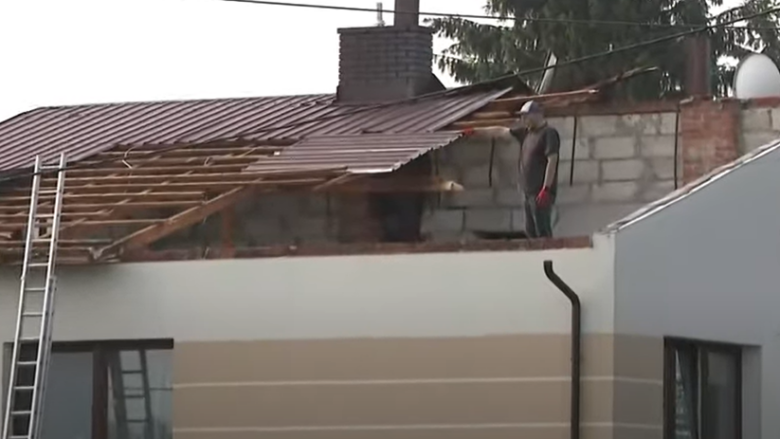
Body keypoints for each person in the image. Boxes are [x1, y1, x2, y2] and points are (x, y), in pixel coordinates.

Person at [461, 100, 560, 238]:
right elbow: (501, 131)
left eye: (526, 116)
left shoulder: (548, 133)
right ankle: (535, 252)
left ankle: (548, 252)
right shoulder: (526, 133)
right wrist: (476, 131)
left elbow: (552, 160)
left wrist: (546, 189)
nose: (523, 119)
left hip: (540, 192)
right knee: (530, 231)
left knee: (542, 230)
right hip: (527, 191)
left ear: (537, 115)